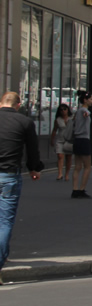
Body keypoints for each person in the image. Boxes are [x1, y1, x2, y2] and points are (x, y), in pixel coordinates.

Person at [0, 92, 43, 284]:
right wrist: (34, 168)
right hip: (9, 175)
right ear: (18, 105)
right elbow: (32, 150)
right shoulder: (25, 122)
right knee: (5, 221)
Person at [71, 90, 92, 198]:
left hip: (77, 139)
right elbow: (87, 113)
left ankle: (75, 189)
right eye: (91, 99)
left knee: (77, 166)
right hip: (84, 139)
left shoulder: (77, 111)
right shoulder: (84, 111)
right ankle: (82, 189)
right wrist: (87, 113)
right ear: (85, 100)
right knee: (87, 166)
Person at [50, 103, 73, 181]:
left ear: (67, 110)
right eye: (61, 110)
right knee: (60, 156)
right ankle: (60, 173)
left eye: (64, 109)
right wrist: (52, 139)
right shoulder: (58, 120)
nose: (63, 111)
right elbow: (54, 130)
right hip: (60, 140)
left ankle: (67, 174)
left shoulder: (71, 118)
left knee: (68, 157)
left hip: (69, 140)